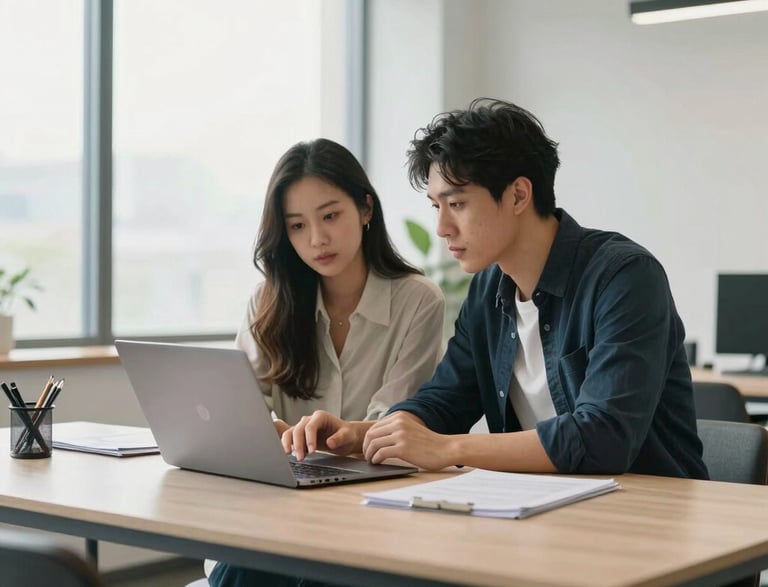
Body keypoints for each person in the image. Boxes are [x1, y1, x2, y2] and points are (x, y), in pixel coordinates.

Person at [285, 98, 708, 481]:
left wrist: (450, 449)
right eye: (436, 206)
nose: (442, 227)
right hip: (541, 510)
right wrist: (361, 435)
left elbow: (603, 438)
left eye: (457, 204)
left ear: (519, 195)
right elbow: (445, 400)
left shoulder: (625, 278)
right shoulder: (489, 290)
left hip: (649, 516)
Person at [208, 138, 445, 587]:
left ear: (366, 209)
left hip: (373, 506)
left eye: (330, 216)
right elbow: (240, 407)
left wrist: (339, 437)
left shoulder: (418, 301)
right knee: (248, 564)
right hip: (283, 505)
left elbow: (395, 426)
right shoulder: (268, 302)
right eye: (297, 226)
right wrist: (268, 433)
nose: (316, 239)